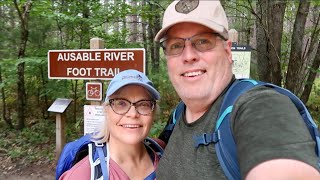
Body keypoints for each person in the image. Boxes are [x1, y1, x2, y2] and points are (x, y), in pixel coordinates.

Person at [154, 0, 320, 179]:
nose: (188, 56)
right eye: (176, 46)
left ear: (227, 51)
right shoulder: (179, 114)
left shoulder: (261, 106)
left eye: (202, 41)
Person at [59, 69, 162, 180]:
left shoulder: (166, 158)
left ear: (153, 112)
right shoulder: (81, 175)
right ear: (106, 110)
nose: (133, 114)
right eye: (121, 103)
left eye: (144, 104)